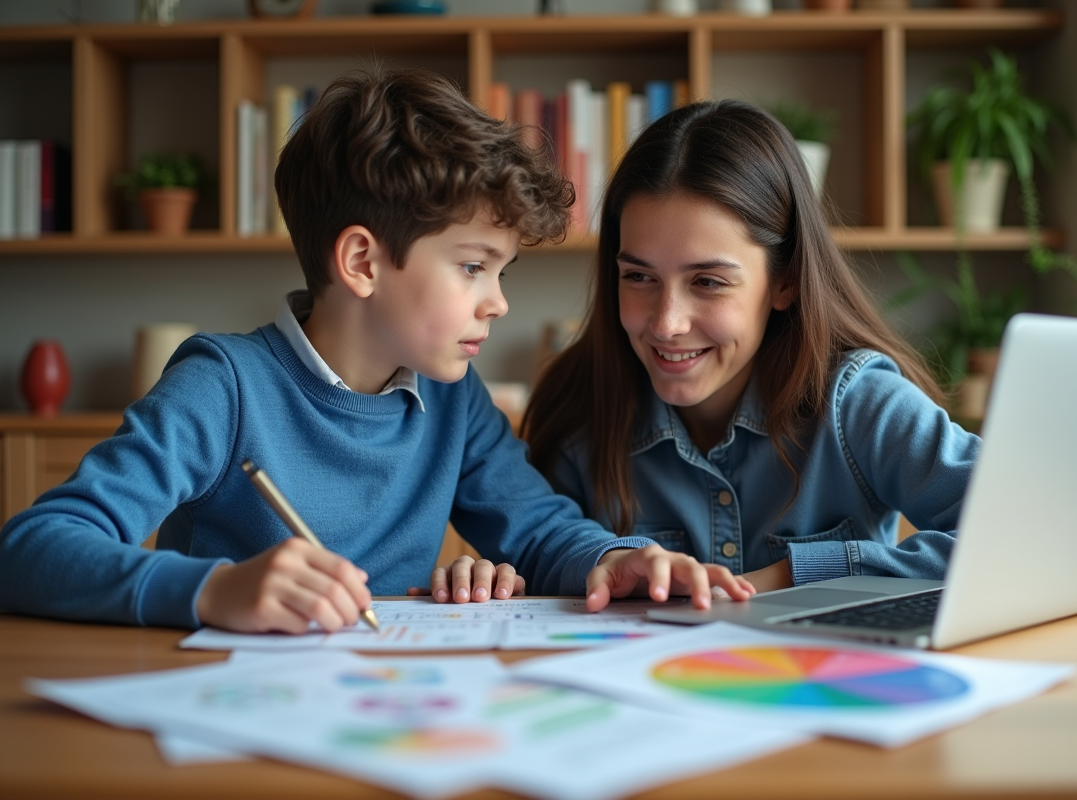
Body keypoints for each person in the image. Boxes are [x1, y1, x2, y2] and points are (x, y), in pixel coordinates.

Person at [0, 67, 753, 634]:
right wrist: (211, 591)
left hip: (384, 701)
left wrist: (613, 559)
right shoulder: (223, 388)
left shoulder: (452, 397)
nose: (498, 302)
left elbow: (538, 529)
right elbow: (32, 547)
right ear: (362, 262)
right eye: (472, 267)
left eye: (502, 272)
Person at [520, 100, 980, 593]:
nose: (667, 324)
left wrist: (793, 575)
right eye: (638, 276)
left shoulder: (860, 404)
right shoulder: (577, 409)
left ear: (786, 280)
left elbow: (1020, 531)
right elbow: (536, 558)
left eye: (708, 282)